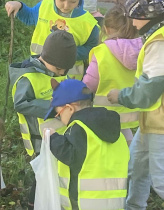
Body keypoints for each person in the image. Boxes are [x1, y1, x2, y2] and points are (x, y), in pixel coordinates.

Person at [107, 0, 164, 209]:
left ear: (149, 16)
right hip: (150, 120)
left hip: (160, 123)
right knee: (136, 168)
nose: (131, 22)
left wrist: (121, 96)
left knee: (160, 180)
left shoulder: (159, 43)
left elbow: (149, 90)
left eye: (134, 17)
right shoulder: (154, 36)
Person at [43, 78, 129, 209]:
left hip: (86, 201)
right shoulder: (110, 126)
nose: (59, 118)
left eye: (58, 114)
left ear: (70, 108)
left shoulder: (79, 127)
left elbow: (72, 156)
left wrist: (53, 138)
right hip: (115, 201)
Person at [10, 30, 77, 157]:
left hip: (61, 138)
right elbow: (20, 104)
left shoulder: (57, 70)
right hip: (40, 143)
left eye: (66, 69)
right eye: (59, 68)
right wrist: (53, 107)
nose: (62, 73)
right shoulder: (28, 78)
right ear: (46, 58)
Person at [83, 5, 142, 146]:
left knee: (109, 145)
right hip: (133, 110)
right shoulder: (143, 49)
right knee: (127, 141)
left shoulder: (103, 51)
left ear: (107, 29)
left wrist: (80, 90)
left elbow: (91, 83)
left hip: (106, 112)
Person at [5, 0, 99, 80]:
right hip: (39, 69)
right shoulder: (44, 6)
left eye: (73, 1)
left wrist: (68, 53)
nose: (66, 6)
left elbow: (91, 48)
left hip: (67, 78)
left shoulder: (89, 24)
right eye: (61, 0)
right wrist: (19, 6)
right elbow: (29, 17)